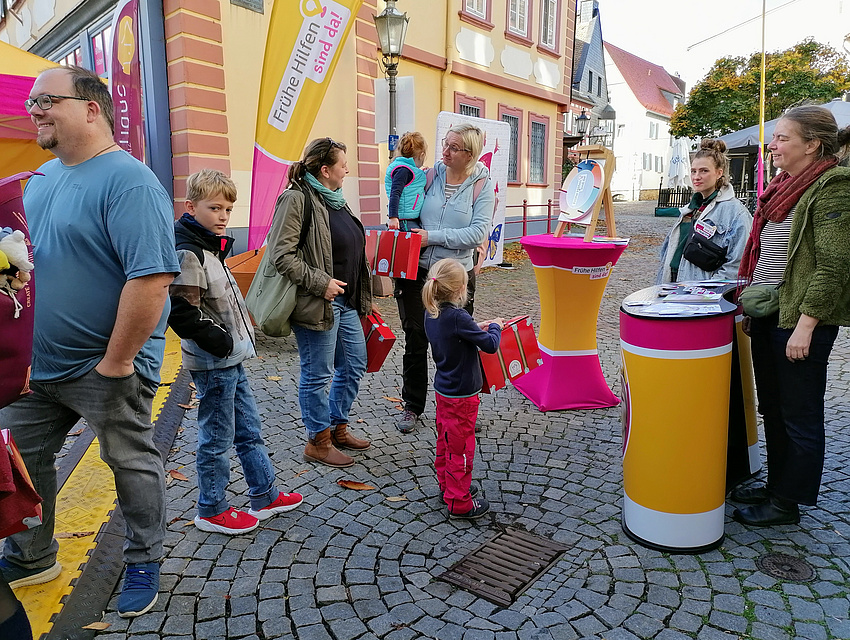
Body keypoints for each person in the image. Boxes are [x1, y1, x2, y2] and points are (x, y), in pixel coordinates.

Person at [0, 66, 179, 618]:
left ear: (91, 108)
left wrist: (117, 362)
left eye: (46, 100)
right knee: (21, 460)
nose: (34, 110)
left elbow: (151, 279)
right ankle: (31, 556)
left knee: (130, 462)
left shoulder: (129, 180)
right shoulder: (42, 179)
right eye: (31, 102)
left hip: (103, 366)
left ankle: (144, 560)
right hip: (37, 366)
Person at [732, 105, 850, 526]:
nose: (773, 145)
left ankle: (787, 503)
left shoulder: (833, 186)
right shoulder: (782, 186)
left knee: (799, 413)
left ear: (812, 144)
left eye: (783, 137)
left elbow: (834, 265)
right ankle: (777, 484)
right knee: (774, 407)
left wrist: (807, 324)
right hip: (769, 313)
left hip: (799, 321)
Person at [169, 169, 303, 535]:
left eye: (228, 209)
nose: (223, 216)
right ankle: (212, 508)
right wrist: (224, 342)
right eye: (214, 208)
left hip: (230, 359)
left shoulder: (209, 245)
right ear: (191, 206)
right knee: (216, 436)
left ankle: (265, 494)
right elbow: (183, 313)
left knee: (248, 429)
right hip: (214, 362)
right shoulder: (189, 251)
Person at [270, 138, 373, 468]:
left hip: (347, 301)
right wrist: (320, 282)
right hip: (317, 302)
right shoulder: (296, 199)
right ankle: (318, 441)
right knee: (317, 374)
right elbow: (281, 255)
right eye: (343, 164)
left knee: (354, 364)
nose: (347, 169)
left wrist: (364, 294)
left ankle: (337, 427)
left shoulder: (337, 200)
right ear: (325, 170)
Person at [394, 123, 494, 434]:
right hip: (417, 271)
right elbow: (407, 206)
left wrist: (433, 237)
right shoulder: (429, 175)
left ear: (470, 155)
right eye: (445, 144)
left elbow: (477, 233)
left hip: (454, 276)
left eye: (453, 148)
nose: (445, 151)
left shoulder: (482, 184)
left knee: (456, 342)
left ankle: (459, 405)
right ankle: (412, 406)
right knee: (415, 338)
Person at [423, 258, 503, 519]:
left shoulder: (431, 312)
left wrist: (475, 328)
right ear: (460, 290)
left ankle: (447, 486)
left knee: (445, 440)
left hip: (444, 390)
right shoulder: (459, 317)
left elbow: (455, 334)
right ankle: (460, 502)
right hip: (463, 396)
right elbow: (490, 344)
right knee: (461, 447)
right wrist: (495, 326)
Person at [656, 139, 752, 284]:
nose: (696, 177)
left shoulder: (736, 213)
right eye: (693, 171)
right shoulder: (689, 209)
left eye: (704, 171)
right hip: (672, 286)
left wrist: (708, 288)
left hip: (700, 292)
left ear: (719, 173)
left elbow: (738, 263)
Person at [385, 131, 427, 231]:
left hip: (407, 218)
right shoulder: (403, 171)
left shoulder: (407, 169)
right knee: (415, 240)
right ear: (421, 155)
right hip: (404, 221)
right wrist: (393, 217)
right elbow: (395, 193)